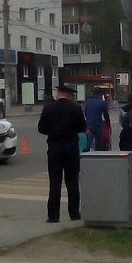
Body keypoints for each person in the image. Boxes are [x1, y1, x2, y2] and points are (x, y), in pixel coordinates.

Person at [37, 84, 87, 223]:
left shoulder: (48, 108)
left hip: (54, 148)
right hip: (71, 148)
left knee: (55, 182)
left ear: (58, 94)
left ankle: (53, 216)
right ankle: (74, 214)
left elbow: (41, 128)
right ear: (70, 95)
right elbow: (82, 127)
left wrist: (53, 131)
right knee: (72, 182)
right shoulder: (76, 108)